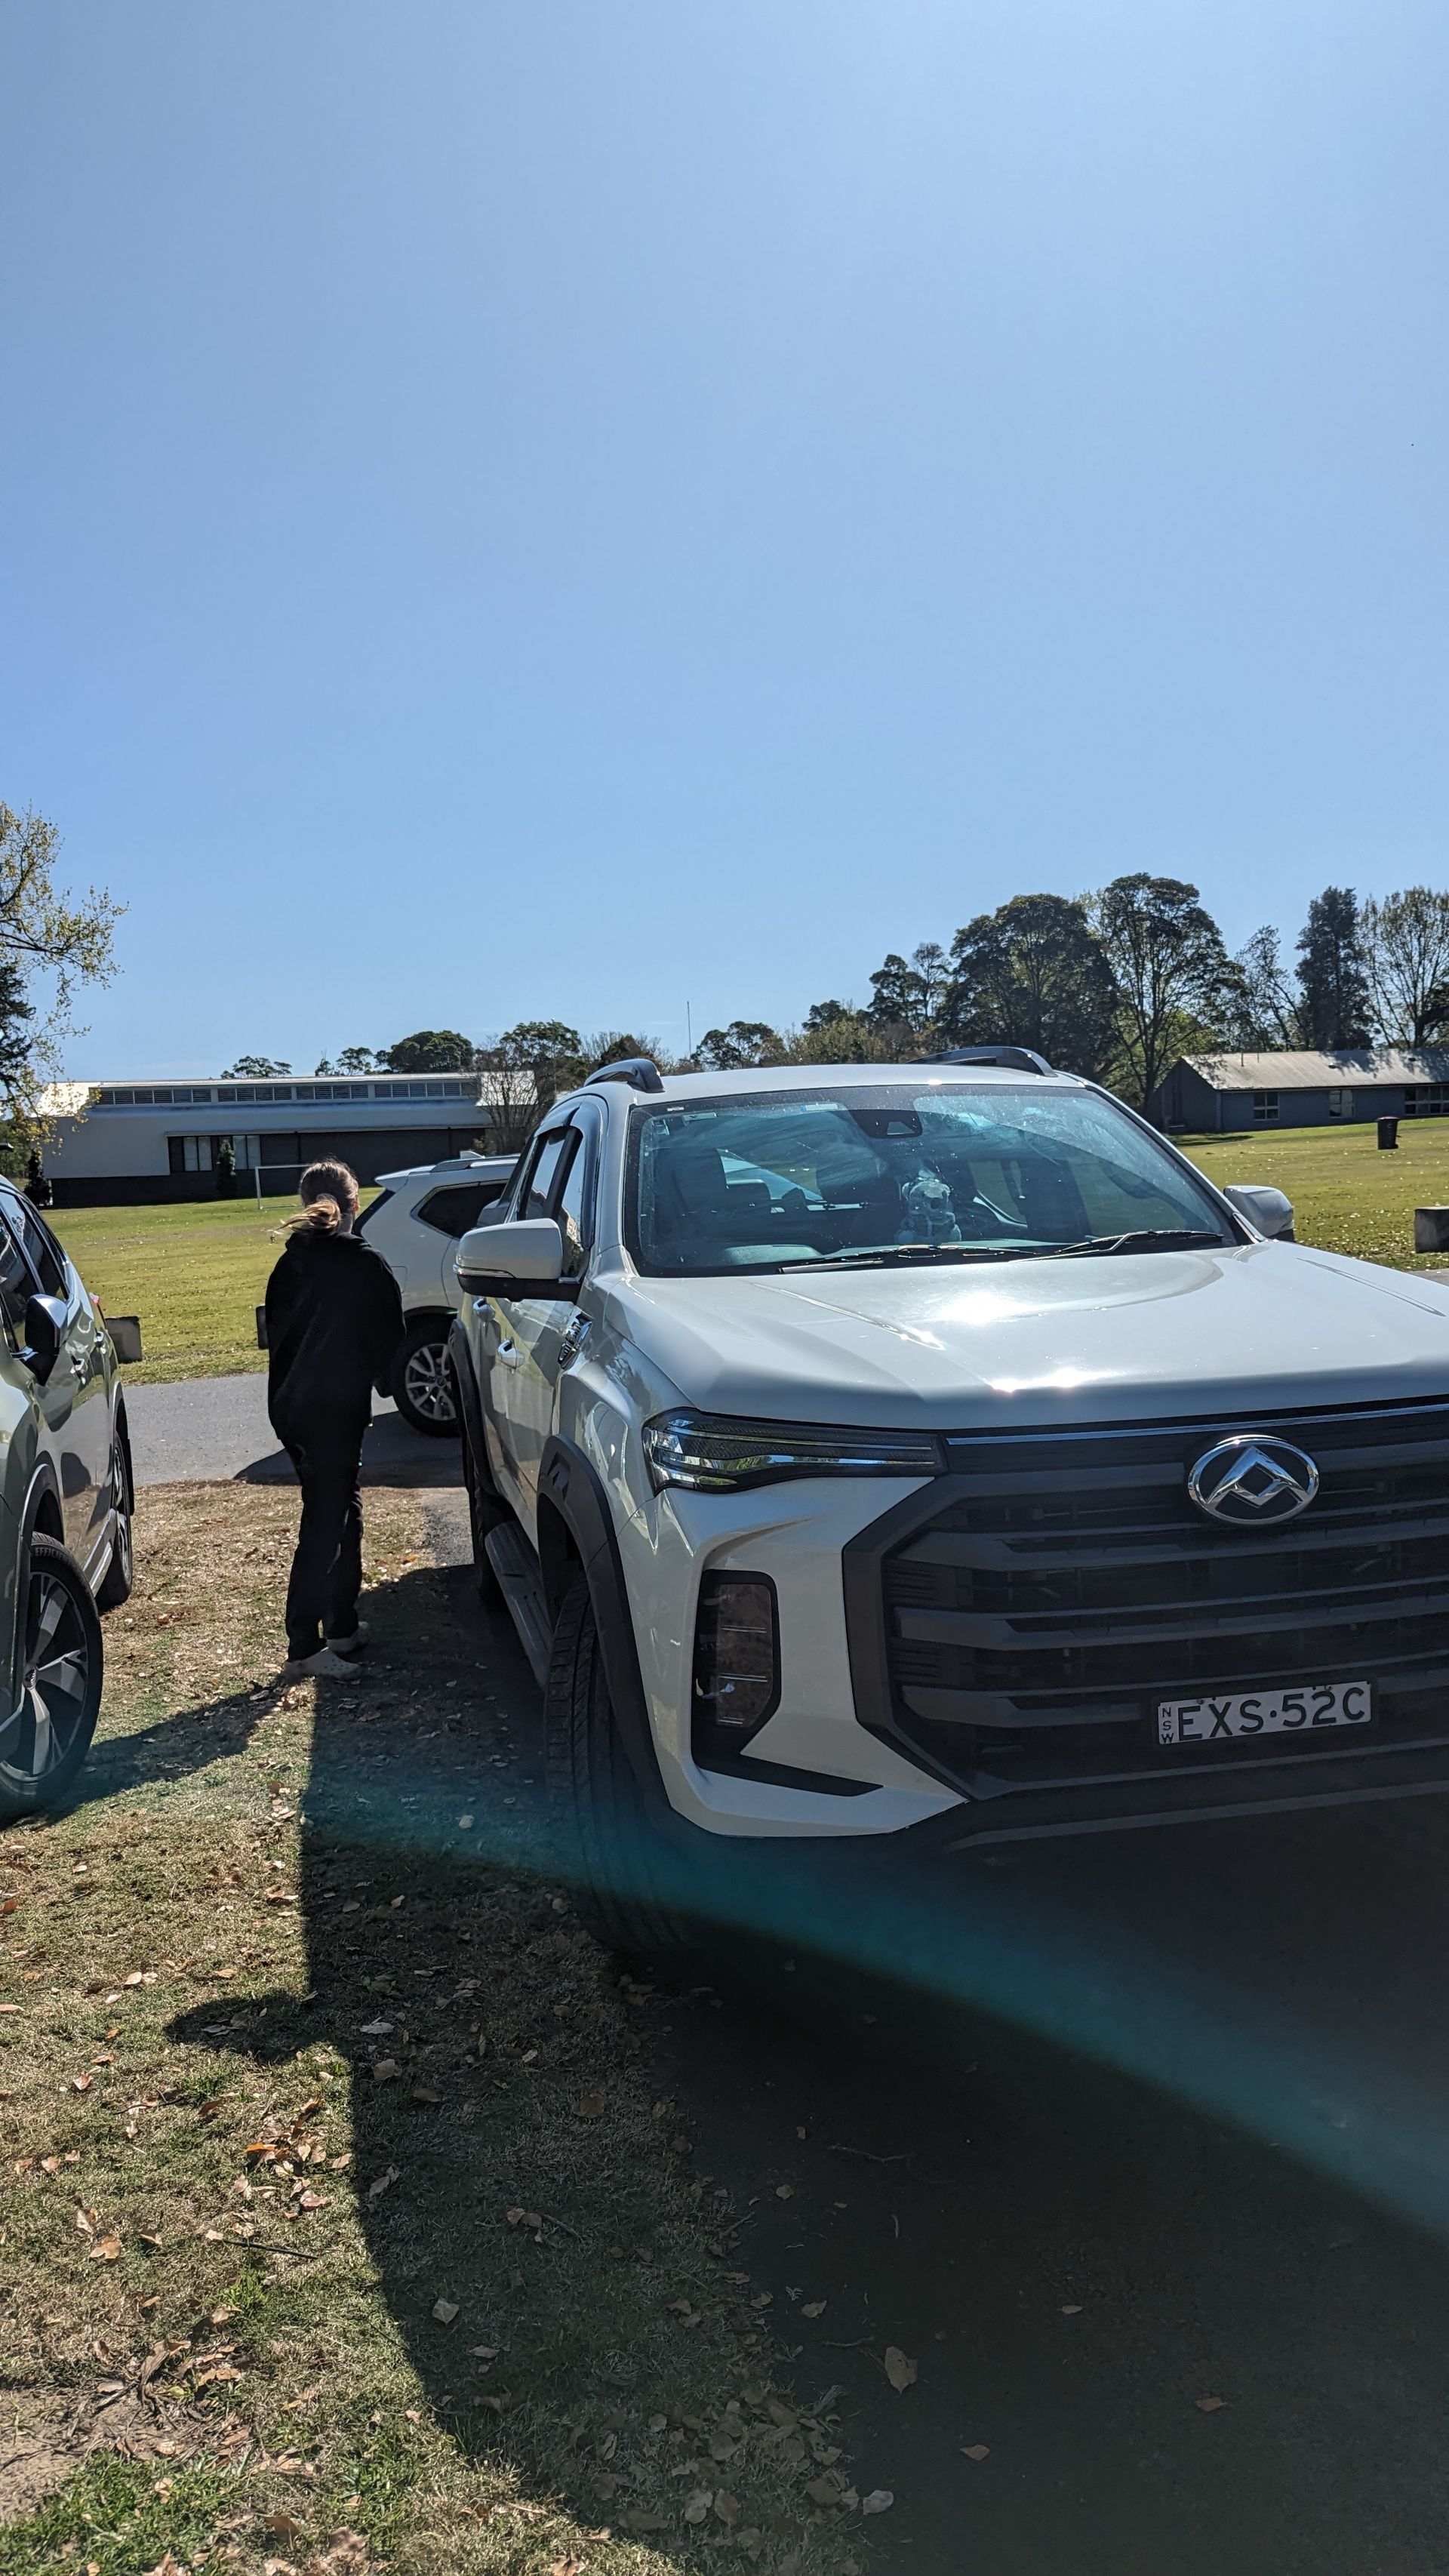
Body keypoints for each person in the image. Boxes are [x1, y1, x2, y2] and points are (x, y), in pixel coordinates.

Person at [264, 1159, 404, 1679]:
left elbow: (275, 1333)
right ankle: (304, 1643)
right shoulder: (363, 1262)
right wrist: (384, 1380)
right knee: (327, 1521)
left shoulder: (289, 1264)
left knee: (344, 1508)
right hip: (333, 1411)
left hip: (292, 1408)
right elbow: (391, 1334)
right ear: (355, 1206)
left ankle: (341, 1623)